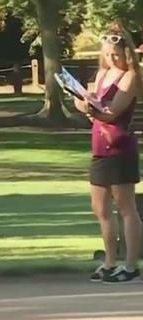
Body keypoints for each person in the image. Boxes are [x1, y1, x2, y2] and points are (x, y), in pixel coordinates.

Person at [74, 22, 142, 283]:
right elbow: (94, 112)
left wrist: (92, 109)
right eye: (107, 53)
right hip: (99, 147)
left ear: (126, 52)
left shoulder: (130, 77)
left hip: (120, 147)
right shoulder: (103, 74)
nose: (112, 58)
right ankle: (110, 262)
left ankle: (130, 264)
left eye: (116, 54)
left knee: (126, 208)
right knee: (100, 208)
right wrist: (80, 100)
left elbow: (112, 113)